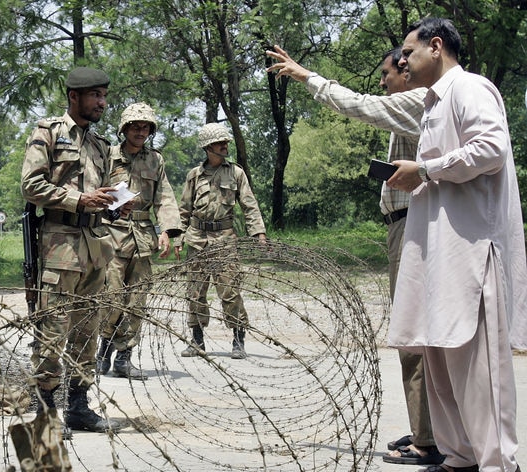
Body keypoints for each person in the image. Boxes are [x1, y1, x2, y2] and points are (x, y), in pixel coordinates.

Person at [265, 46, 442, 466]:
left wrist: (306, 76)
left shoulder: (420, 101)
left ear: (409, 68)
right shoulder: (429, 104)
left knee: (414, 334)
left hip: (413, 224)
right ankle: (429, 429)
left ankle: (429, 440)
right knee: (419, 333)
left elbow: (360, 106)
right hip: (408, 222)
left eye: (388, 73)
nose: (383, 82)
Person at [386, 17, 526, 472]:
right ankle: (460, 458)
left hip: (470, 253)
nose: (402, 61)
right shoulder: (431, 105)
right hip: (436, 252)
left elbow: (491, 149)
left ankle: (496, 464)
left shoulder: (470, 89)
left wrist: (425, 171)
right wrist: (420, 176)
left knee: (477, 369)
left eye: (408, 52)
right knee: (440, 356)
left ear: (437, 46)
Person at [21, 67, 128, 436]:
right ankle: (46, 411)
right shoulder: (48, 133)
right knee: (52, 330)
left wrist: (118, 204)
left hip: (96, 246)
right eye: (95, 95)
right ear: (74, 97)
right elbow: (31, 185)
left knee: (88, 329)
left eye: (104, 95)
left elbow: (107, 194)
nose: (102, 102)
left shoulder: (100, 146)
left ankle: (79, 406)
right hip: (59, 245)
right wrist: (78, 199)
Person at [96, 103, 182, 380]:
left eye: (145, 127)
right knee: (111, 298)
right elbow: (92, 191)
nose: (140, 131)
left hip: (143, 238)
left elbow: (165, 197)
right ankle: (103, 350)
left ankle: (124, 357)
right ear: (124, 129)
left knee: (136, 301)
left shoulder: (155, 160)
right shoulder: (107, 156)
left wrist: (169, 231)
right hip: (111, 234)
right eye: (135, 126)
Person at [176, 123, 266, 359]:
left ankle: (238, 339)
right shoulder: (194, 175)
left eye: (226, 142)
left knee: (230, 291)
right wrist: (177, 239)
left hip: (225, 240)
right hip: (196, 240)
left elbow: (249, 204)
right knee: (195, 292)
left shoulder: (236, 173)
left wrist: (258, 232)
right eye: (219, 143)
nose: (225, 146)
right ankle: (197, 340)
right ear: (208, 147)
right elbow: (184, 209)